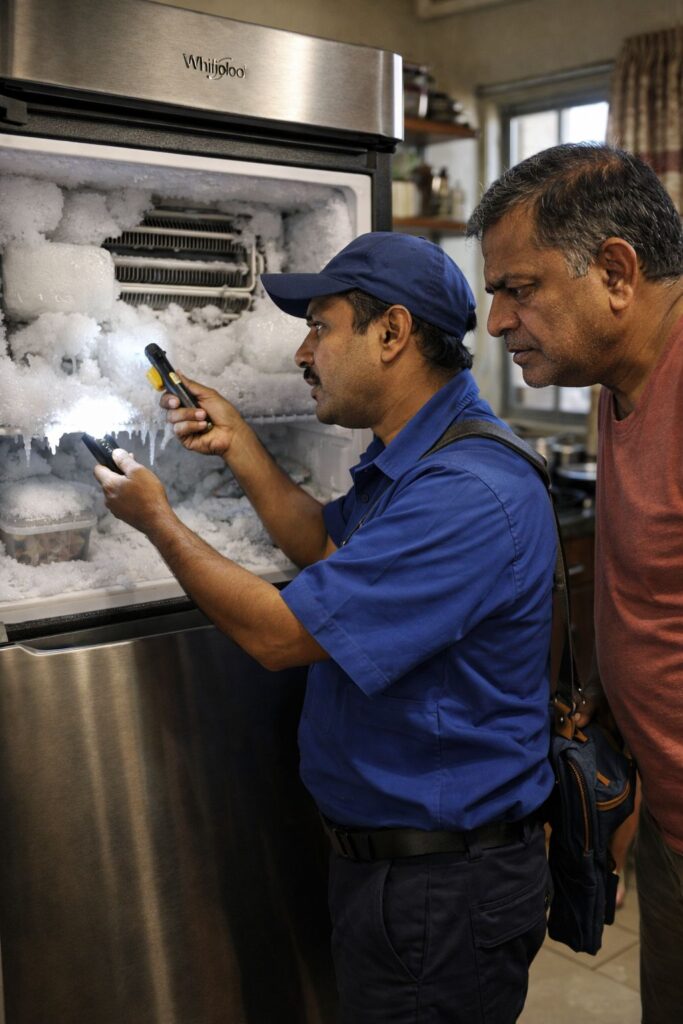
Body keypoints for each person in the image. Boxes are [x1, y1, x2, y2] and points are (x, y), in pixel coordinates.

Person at [93, 231, 556, 1024]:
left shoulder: (464, 491)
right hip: (397, 870)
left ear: (392, 333)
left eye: (319, 327)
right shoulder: (412, 458)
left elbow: (279, 636)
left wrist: (158, 521)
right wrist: (239, 443)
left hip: (442, 889)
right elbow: (321, 543)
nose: (303, 354)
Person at [467, 144, 683, 1024]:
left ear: (616, 273)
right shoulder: (620, 375)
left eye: (518, 289)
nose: (495, 321)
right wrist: (610, 699)